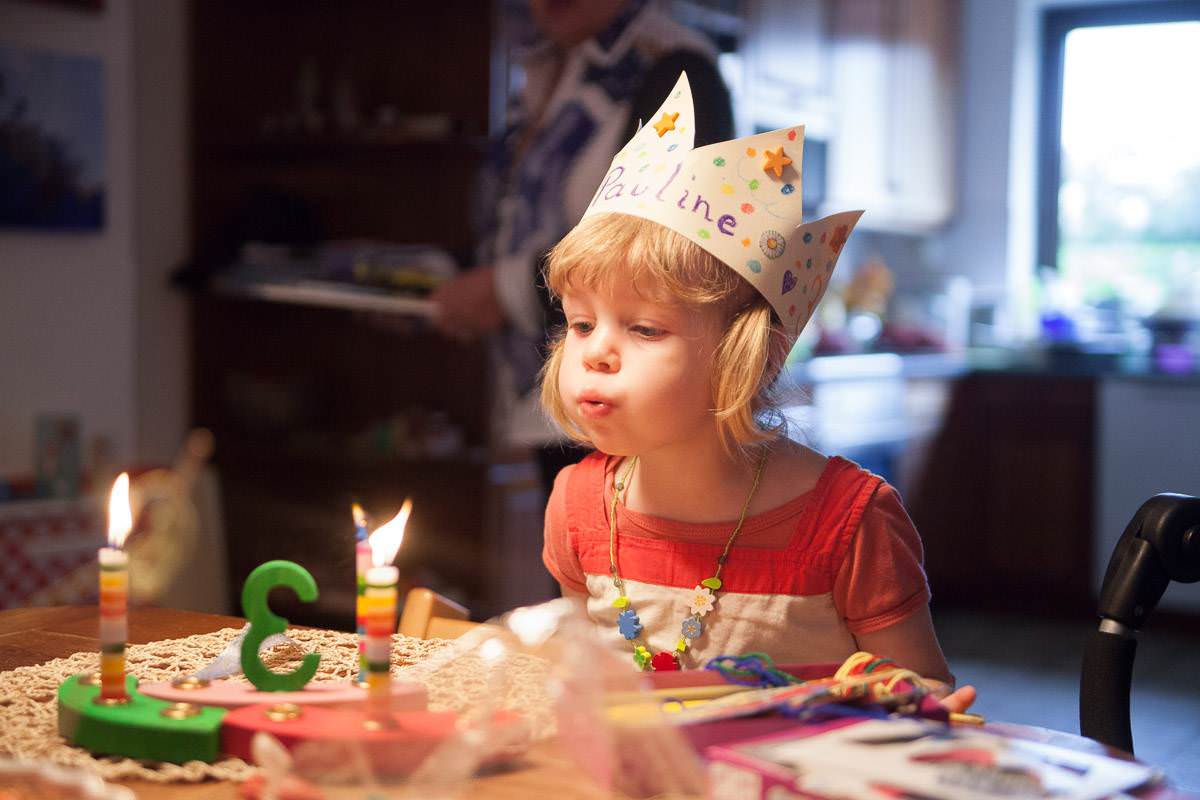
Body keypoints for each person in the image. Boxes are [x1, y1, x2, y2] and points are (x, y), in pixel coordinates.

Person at [538, 73, 975, 711]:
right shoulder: (577, 506)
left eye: (644, 328)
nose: (595, 352)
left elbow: (921, 697)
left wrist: (905, 701)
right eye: (581, 323)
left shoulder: (851, 523)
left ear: (747, 358)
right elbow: (576, 689)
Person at [430, 0, 733, 496]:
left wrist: (503, 290)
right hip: (555, 394)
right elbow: (514, 225)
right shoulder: (555, 70)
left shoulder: (674, 69)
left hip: (626, 401)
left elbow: (661, 249)